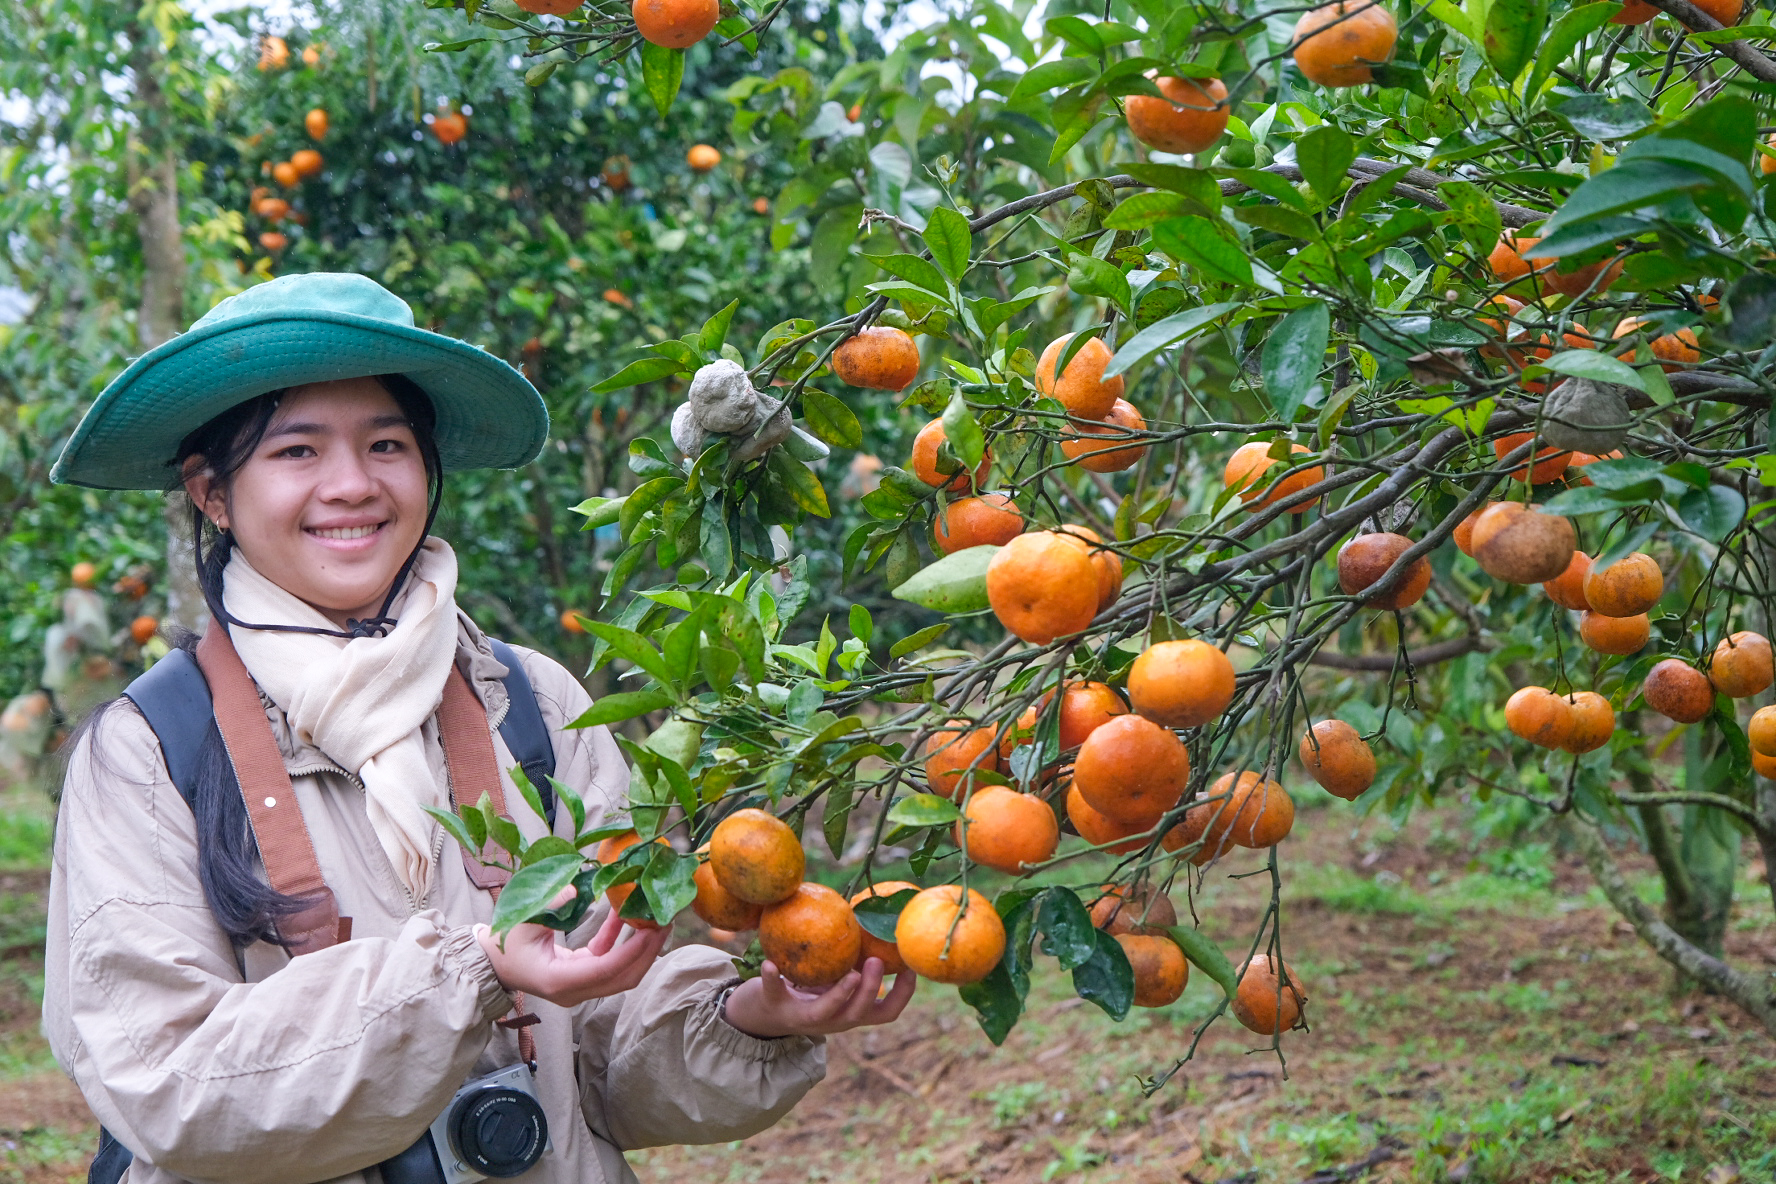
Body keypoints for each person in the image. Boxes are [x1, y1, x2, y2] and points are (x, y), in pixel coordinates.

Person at [44, 273, 914, 1184]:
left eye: (386, 443)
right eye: (296, 451)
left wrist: (748, 1019)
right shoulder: (148, 751)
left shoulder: (530, 702)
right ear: (211, 492)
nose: (352, 484)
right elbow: (172, 1088)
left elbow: (597, 1059)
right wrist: (474, 971)